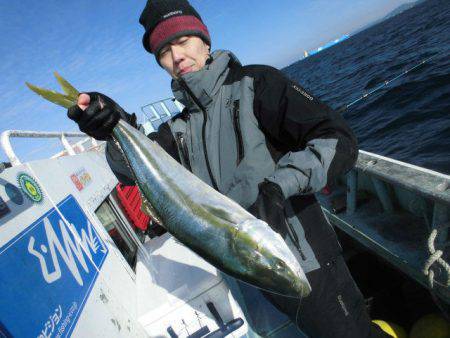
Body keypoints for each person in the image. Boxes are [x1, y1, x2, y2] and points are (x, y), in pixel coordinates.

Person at [68, 1, 389, 337]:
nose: (177, 56)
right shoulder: (176, 130)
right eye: (164, 50)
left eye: (182, 41)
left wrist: (278, 186)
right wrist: (114, 129)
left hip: (304, 260)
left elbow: (337, 140)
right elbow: (129, 172)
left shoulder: (257, 83)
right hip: (255, 267)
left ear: (204, 41)